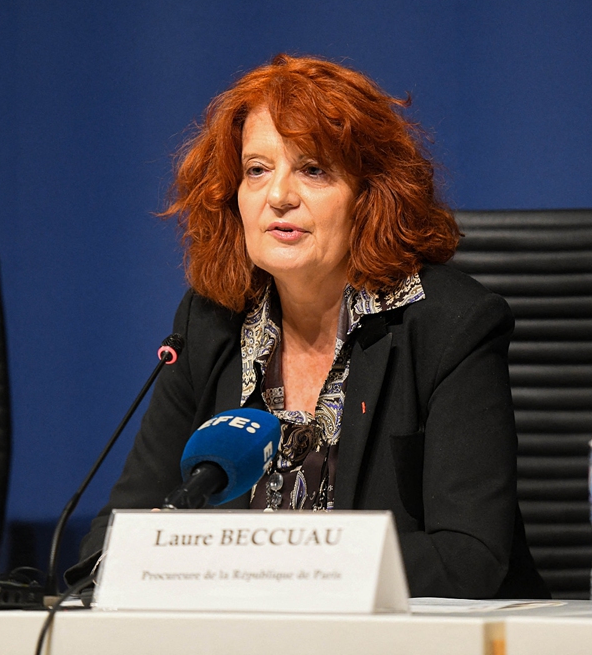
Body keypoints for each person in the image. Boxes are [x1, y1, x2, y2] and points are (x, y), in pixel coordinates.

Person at [79, 54, 548, 598]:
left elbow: (468, 558)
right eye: (257, 170)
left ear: (370, 195)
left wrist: (259, 568)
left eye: (313, 169)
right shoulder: (209, 323)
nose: (278, 195)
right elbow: (113, 542)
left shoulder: (448, 323)